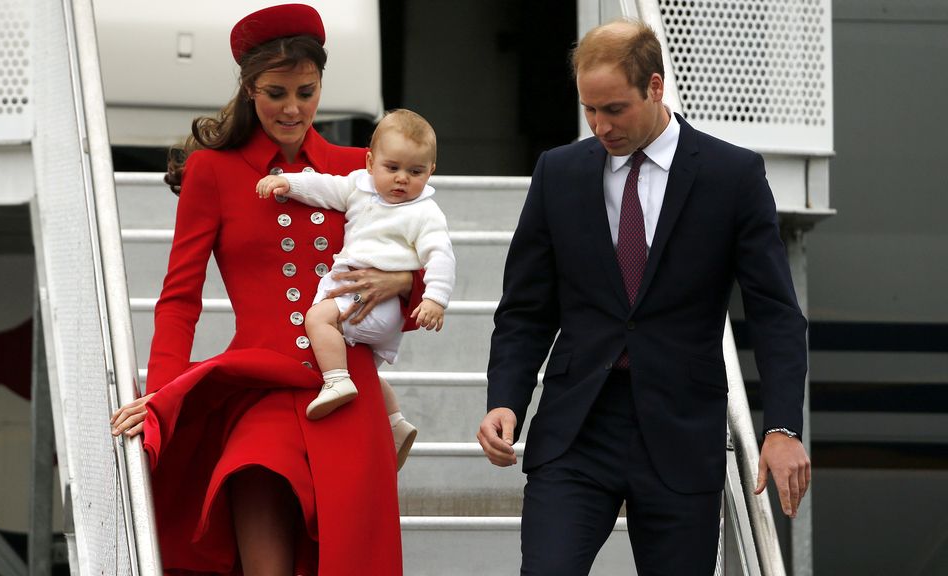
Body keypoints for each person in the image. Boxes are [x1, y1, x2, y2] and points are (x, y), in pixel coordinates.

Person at [476, 20, 811, 575]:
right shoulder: (558, 173)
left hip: (680, 432)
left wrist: (781, 426)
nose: (600, 125)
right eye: (590, 109)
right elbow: (526, 310)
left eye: (615, 109)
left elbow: (776, 313)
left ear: (655, 87)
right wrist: (505, 399)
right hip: (577, 429)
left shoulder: (733, 175)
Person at [109, 4, 420, 575]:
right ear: (250, 88)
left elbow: (421, 258)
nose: (293, 108)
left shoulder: (360, 169)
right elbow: (180, 297)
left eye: (306, 91)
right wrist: (163, 393)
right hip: (259, 385)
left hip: (348, 392)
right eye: (275, 92)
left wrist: (402, 279)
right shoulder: (214, 171)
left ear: (322, 83)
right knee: (254, 483)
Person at [255, 109, 454, 470]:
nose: (401, 180)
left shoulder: (425, 212)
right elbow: (325, 187)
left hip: (377, 305)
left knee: (318, 318)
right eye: (391, 167)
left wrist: (435, 299)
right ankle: (396, 423)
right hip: (365, 302)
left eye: (415, 172)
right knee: (367, 370)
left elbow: (441, 255)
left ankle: (336, 382)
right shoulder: (359, 187)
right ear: (369, 161)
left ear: (431, 172)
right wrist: (288, 182)